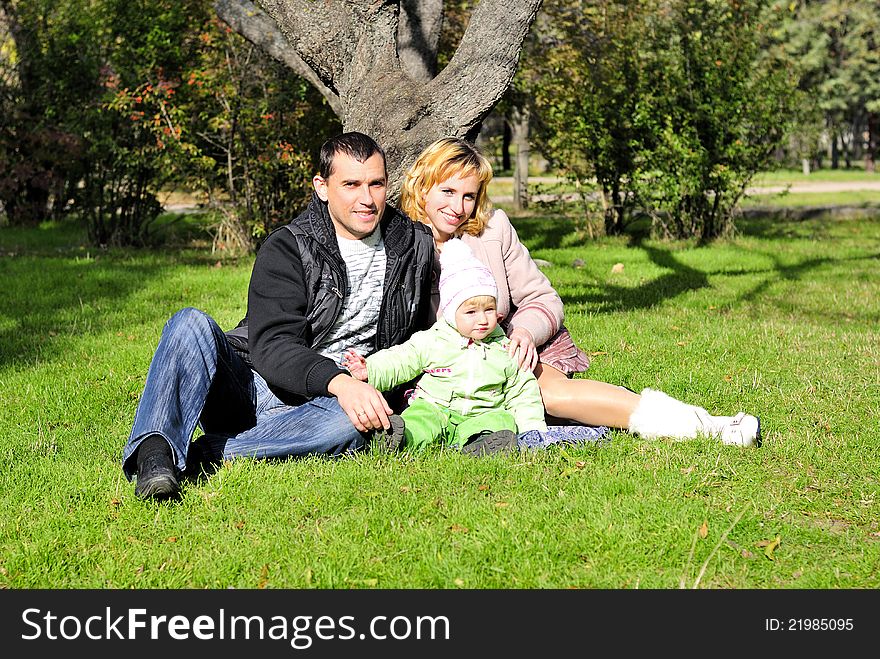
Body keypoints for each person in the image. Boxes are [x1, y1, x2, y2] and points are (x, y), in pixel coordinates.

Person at [121, 132, 435, 500]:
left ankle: (206, 454)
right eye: (350, 184)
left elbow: (435, 325)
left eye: (376, 184)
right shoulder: (289, 245)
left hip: (327, 407)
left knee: (352, 425)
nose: (367, 199)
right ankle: (156, 458)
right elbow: (272, 346)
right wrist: (340, 381)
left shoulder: (414, 244)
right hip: (255, 386)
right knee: (189, 324)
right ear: (322, 187)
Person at [398, 137, 761, 447]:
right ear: (423, 186)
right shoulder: (399, 242)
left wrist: (524, 332)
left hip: (504, 351)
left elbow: (542, 297)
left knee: (550, 393)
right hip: (440, 370)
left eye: (468, 196)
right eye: (447, 191)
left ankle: (705, 426)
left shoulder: (492, 229)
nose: (458, 207)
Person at [342, 237, 549, 456]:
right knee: (420, 418)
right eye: (471, 312)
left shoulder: (505, 350)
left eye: (489, 310)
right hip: (436, 406)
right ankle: (400, 438)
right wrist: (371, 370)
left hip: (482, 412)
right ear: (451, 312)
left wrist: (532, 430)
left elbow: (523, 391)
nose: (483, 319)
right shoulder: (435, 340)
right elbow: (402, 359)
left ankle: (482, 443)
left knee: (501, 419)